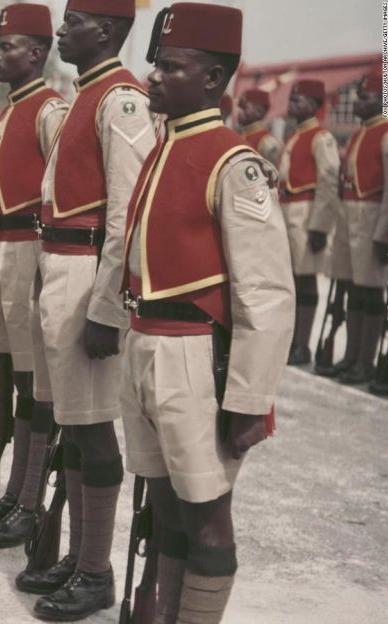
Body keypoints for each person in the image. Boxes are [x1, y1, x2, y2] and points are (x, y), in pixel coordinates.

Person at [121, 4, 294, 621]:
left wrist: (249, 398)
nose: (155, 76)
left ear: (214, 80)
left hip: (193, 355)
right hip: (145, 341)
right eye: (156, 64)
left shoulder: (233, 162)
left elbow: (267, 293)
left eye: (171, 66)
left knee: (207, 517)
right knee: (164, 505)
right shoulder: (161, 147)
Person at [19, 1, 155, 619]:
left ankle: (95, 569)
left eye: (72, 21)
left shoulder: (121, 99)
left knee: (94, 427)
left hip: (86, 271)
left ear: (105, 29)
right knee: (71, 425)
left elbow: (127, 213)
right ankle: (80, 556)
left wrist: (107, 308)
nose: (60, 30)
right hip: (57, 263)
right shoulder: (85, 93)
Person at [0, 2, 65, 550]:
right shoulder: (7, 111)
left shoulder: (50, 110)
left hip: (28, 247)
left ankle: (29, 500)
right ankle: (13, 492)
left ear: (37, 53)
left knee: (33, 387)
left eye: (8, 47)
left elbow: (59, 193)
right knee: (12, 379)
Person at [329, 70, 388, 384]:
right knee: (352, 290)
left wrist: (384, 234)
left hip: (372, 218)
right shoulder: (357, 134)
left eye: (365, 98)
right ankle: (350, 356)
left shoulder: (385, 133)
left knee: (370, 293)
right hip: (350, 217)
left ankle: (365, 361)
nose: (357, 103)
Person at [279, 78, 340, 365]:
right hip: (286, 211)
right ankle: (290, 341)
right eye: (291, 100)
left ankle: (302, 344)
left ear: (315, 105)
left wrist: (320, 226)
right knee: (289, 280)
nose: (292, 105)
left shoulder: (321, 137)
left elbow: (328, 183)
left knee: (305, 281)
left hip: (306, 214)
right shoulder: (293, 135)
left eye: (298, 100)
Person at [238, 88, 282, 166]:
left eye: (245, 107)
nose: (239, 112)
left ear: (259, 111)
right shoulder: (240, 137)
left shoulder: (267, 141)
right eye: (240, 107)